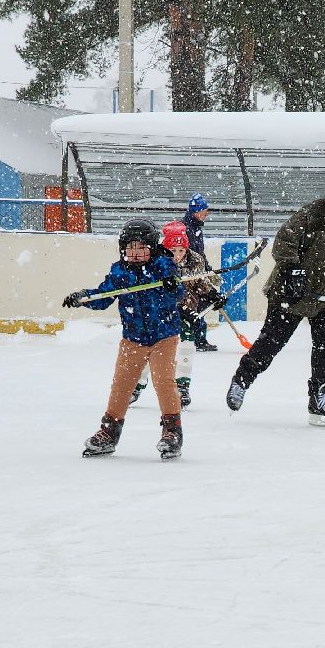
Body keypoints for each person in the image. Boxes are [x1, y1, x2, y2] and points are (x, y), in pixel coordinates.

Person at [224, 172, 325, 427]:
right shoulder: (316, 213)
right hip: (291, 293)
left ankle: (320, 397)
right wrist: (292, 270)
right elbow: (285, 240)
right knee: (271, 343)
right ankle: (241, 381)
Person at [61, 218, 186, 460]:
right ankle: (109, 432)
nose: (136, 253)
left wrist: (172, 286)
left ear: (152, 247)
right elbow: (104, 296)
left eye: (141, 248)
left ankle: (172, 431)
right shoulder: (119, 272)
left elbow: (177, 293)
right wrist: (83, 297)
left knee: (163, 382)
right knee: (121, 385)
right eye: (130, 248)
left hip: (164, 336)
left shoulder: (163, 267)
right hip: (133, 338)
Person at [129, 222, 226, 409]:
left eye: (181, 250)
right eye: (173, 250)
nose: (178, 255)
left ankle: (182, 387)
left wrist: (213, 295)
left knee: (187, 345)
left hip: (187, 310)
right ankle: (135, 386)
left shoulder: (195, 259)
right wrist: (180, 310)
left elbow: (199, 282)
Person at [182, 193, 219, 352]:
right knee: (194, 306)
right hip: (190, 276)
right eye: (205, 212)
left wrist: (208, 269)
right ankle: (194, 339)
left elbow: (200, 254)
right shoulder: (186, 229)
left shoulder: (196, 228)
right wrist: (199, 273)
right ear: (197, 212)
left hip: (198, 273)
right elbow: (188, 255)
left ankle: (198, 338)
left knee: (202, 304)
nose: (206, 215)